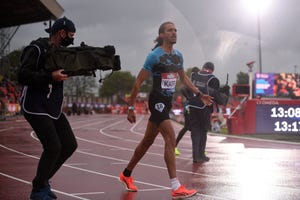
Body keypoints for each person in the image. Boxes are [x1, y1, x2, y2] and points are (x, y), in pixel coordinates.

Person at [119, 21, 213, 199]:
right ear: (162, 35)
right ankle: (175, 186)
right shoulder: (154, 56)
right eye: (170, 30)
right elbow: (138, 82)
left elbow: (184, 78)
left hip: (167, 102)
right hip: (157, 101)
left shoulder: (178, 56)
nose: (174, 33)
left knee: (147, 142)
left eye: (176, 30)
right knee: (170, 137)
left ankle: (126, 174)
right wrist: (130, 107)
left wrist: (200, 94)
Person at [18, 17, 78, 200]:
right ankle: (38, 190)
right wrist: (50, 76)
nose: (72, 40)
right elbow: (23, 75)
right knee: (53, 146)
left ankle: (42, 181)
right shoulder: (36, 48)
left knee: (69, 144)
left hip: (52, 106)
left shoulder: (61, 53)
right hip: (35, 105)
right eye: (71, 36)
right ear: (61, 33)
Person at [188, 62, 228, 163]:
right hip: (204, 108)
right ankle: (201, 155)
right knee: (203, 131)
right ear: (212, 70)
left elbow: (188, 89)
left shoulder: (194, 75)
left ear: (203, 67)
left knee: (195, 132)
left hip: (192, 106)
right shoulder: (213, 79)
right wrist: (224, 93)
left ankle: (195, 156)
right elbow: (216, 96)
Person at [175, 67, 199, 156]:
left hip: (194, 108)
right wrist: (189, 98)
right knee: (187, 127)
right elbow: (182, 89)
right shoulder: (191, 82)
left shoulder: (198, 83)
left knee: (195, 129)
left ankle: (199, 150)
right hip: (189, 108)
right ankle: (174, 146)